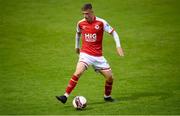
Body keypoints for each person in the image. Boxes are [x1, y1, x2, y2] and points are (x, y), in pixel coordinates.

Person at [56, 3, 124, 104]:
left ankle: (107, 96)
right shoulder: (80, 23)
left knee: (110, 78)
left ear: (92, 12)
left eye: (87, 13)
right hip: (85, 54)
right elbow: (77, 34)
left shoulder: (101, 22)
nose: (85, 16)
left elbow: (113, 32)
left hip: (98, 57)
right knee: (78, 72)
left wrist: (118, 46)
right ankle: (65, 96)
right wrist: (77, 46)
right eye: (83, 14)